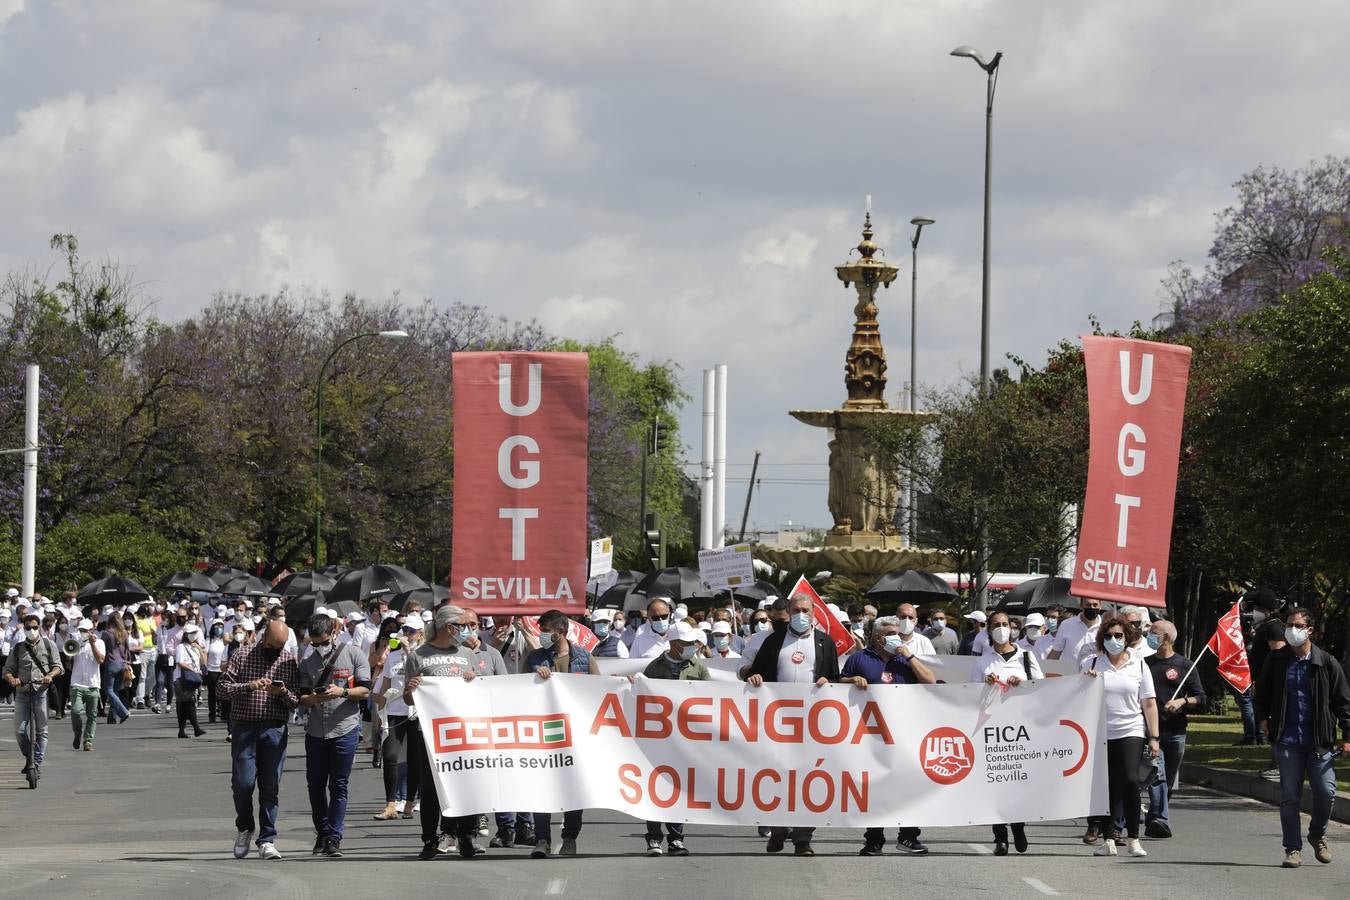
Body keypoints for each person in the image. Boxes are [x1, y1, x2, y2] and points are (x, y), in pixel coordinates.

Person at [743, 593, 841, 856]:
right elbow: (756, 672)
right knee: (776, 776)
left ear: (814, 613)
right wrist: (755, 678)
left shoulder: (824, 642)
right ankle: (777, 831)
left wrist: (827, 683)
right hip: (777, 722)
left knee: (809, 779)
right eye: (795, 610)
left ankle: (802, 838)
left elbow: (834, 678)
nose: (800, 614)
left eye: (805, 610)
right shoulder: (774, 641)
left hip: (812, 724)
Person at [1253, 606, 1350, 868]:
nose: (1292, 630)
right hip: (1287, 740)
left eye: (1297, 625)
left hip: (1319, 741)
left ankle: (1317, 835)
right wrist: (1262, 718)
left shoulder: (1326, 662)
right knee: (1290, 796)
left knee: (1327, 792)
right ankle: (1292, 849)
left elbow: (1343, 703)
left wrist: (1347, 736)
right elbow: (1260, 691)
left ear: (1310, 630)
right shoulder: (1277, 660)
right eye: (1289, 624)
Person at [843, 615, 936, 856]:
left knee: (906, 785)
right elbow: (837, 684)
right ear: (876, 637)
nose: (896, 637)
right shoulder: (859, 659)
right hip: (869, 736)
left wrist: (909, 656)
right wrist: (851, 680)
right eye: (890, 634)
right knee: (875, 788)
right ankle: (874, 839)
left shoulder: (904, 661)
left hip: (903, 735)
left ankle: (908, 836)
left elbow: (931, 681)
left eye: (898, 633)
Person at [403, 604, 488, 860]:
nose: (467, 631)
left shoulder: (468, 654)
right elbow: (408, 700)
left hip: (463, 731)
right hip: (430, 733)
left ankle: (466, 836)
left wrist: (476, 679)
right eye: (462, 626)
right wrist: (412, 687)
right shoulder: (418, 655)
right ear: (449, 627)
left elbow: (483, 692)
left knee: (465, 783)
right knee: (430, 788)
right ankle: (430, 839)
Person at [218, 620, 302, 861]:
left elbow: (296, 700)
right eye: (274, 645)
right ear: (264, 639)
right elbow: (222, 689)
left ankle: (267, 839)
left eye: (282, 645)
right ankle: (245, 826)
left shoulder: (287, 660)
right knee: (243, 784)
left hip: (274, 728)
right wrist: (249, 686)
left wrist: (283, 692)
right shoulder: (242, 655)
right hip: (245, 727)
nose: (278, 650)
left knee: (270, 785)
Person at [1081, 615, 1159, 857]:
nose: (1113, 640)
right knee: (1108, 785)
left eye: (1118, 636)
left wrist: (1154, 736)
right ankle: (1108, 839)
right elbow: (1076, 698)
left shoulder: (1139, 664)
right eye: (1108, 636)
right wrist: (1086, 683)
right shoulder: (1092, 663)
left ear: (1127, 638)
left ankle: (1134, 837)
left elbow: (1149, 703)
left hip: (1131, 729)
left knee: (1130, 779)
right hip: (1101, 731)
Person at [527, 608, 601, 858]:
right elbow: (520, 691)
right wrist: (535, 679)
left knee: (573, 790)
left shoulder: (583, 657)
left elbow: (599, 692)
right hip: (545, 734)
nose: (542, 635)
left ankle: (570, 837)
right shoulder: (535, 658)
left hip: (576, 736)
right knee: (541, 787)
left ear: (560, 632)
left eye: (546, 631)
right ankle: (542, 839)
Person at [297, 612, 372, 858]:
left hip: (345, 728)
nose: (318, 646)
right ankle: (322, 831)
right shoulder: (307, 662)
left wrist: (342, 692)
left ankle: (334, 837)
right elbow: (303, 698)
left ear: (333, 633)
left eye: (322, 641)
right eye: (314, 642)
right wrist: (317, 697)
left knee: (339, 785)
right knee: (315, 786)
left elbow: (364, 691)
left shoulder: (353, 654)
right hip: (316, 730)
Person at [971, 611, 1044, 855]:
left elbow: (1042, 688)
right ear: (988, 629)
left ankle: (1019, 826)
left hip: (1020, 728)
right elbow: (969, 695)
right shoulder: (983, 661)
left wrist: (1021, 684)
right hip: (992, 729)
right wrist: (985, 684)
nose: (1001, 628)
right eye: (996, 625)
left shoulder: (1025, 657)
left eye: (1005, 624)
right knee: (996, 784)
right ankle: (1000, 837)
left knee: (1017, 782)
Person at [636, 620, 706, 856]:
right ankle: (654, 838)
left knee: (678, 787)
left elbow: (711, 700)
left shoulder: (699, 668)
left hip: (686, 739)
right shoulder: (654, 668)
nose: (692, 646)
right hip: (658, 739)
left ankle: (676, 839)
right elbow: (641, 697)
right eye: (687, 643)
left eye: (693, 642)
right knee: (655, 787)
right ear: (674, 644)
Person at [1142, 619, 1207, 839]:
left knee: (1168, 780)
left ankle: (1154, 815)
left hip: (1177, 731)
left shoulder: (1185, 666)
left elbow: (1202, 698)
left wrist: (1182, 701)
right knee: (1157, 775)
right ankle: (1162, 820)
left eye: (1154, 633)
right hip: (1152, 732)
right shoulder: (1144, 664)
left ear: (1167, 638)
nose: (1149, 635)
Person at [4, 612, 63, 782]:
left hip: (41, 692)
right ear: (24, 627)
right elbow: (7, 670)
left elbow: (58, 666)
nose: (31, 630)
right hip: (22, 693)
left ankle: (35, 764)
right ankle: (29, 757)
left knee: (41, 731)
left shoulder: (48, 644)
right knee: (20, 730)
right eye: (28, 627)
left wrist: (50, 675)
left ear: (39, 627)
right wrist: (12, 679)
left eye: (35, 627)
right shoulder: (18, 648)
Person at [67, 618, 105, 752]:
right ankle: (78, 733)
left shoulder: (99, 642)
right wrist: (70, 654)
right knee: (75, 711)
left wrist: (92, 644)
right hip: (77, 683)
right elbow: (68, 660)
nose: (82, 633)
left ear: (91, 631)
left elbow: (100, 660)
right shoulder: (76, 643)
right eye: (81, 630)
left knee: (92, 715)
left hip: (93, 684)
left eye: (85, 631)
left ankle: (88, 741)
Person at [1046, 597, 1103, 666]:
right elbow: (1054, 654)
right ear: (1081, 606)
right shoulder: (1066, 625)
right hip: (1070, 675)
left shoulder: (1106, 628)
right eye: (1088, 605)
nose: (1092, 608)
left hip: (1096, 675)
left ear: (1100, 606)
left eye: (1095, 605)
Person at [176, 623, 207, 738]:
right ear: (186, 635)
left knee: (184, 704)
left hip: (193, 679)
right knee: (188, 703)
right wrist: (193, 670)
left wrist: (199, 648)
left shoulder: (195, 647)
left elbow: (203, 662)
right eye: (192, 633)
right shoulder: (181, 647)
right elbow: (180, 662)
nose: (194, 635)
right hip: (181, 678)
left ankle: (182, 730)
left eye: (195, 633)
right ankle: (196, 728)